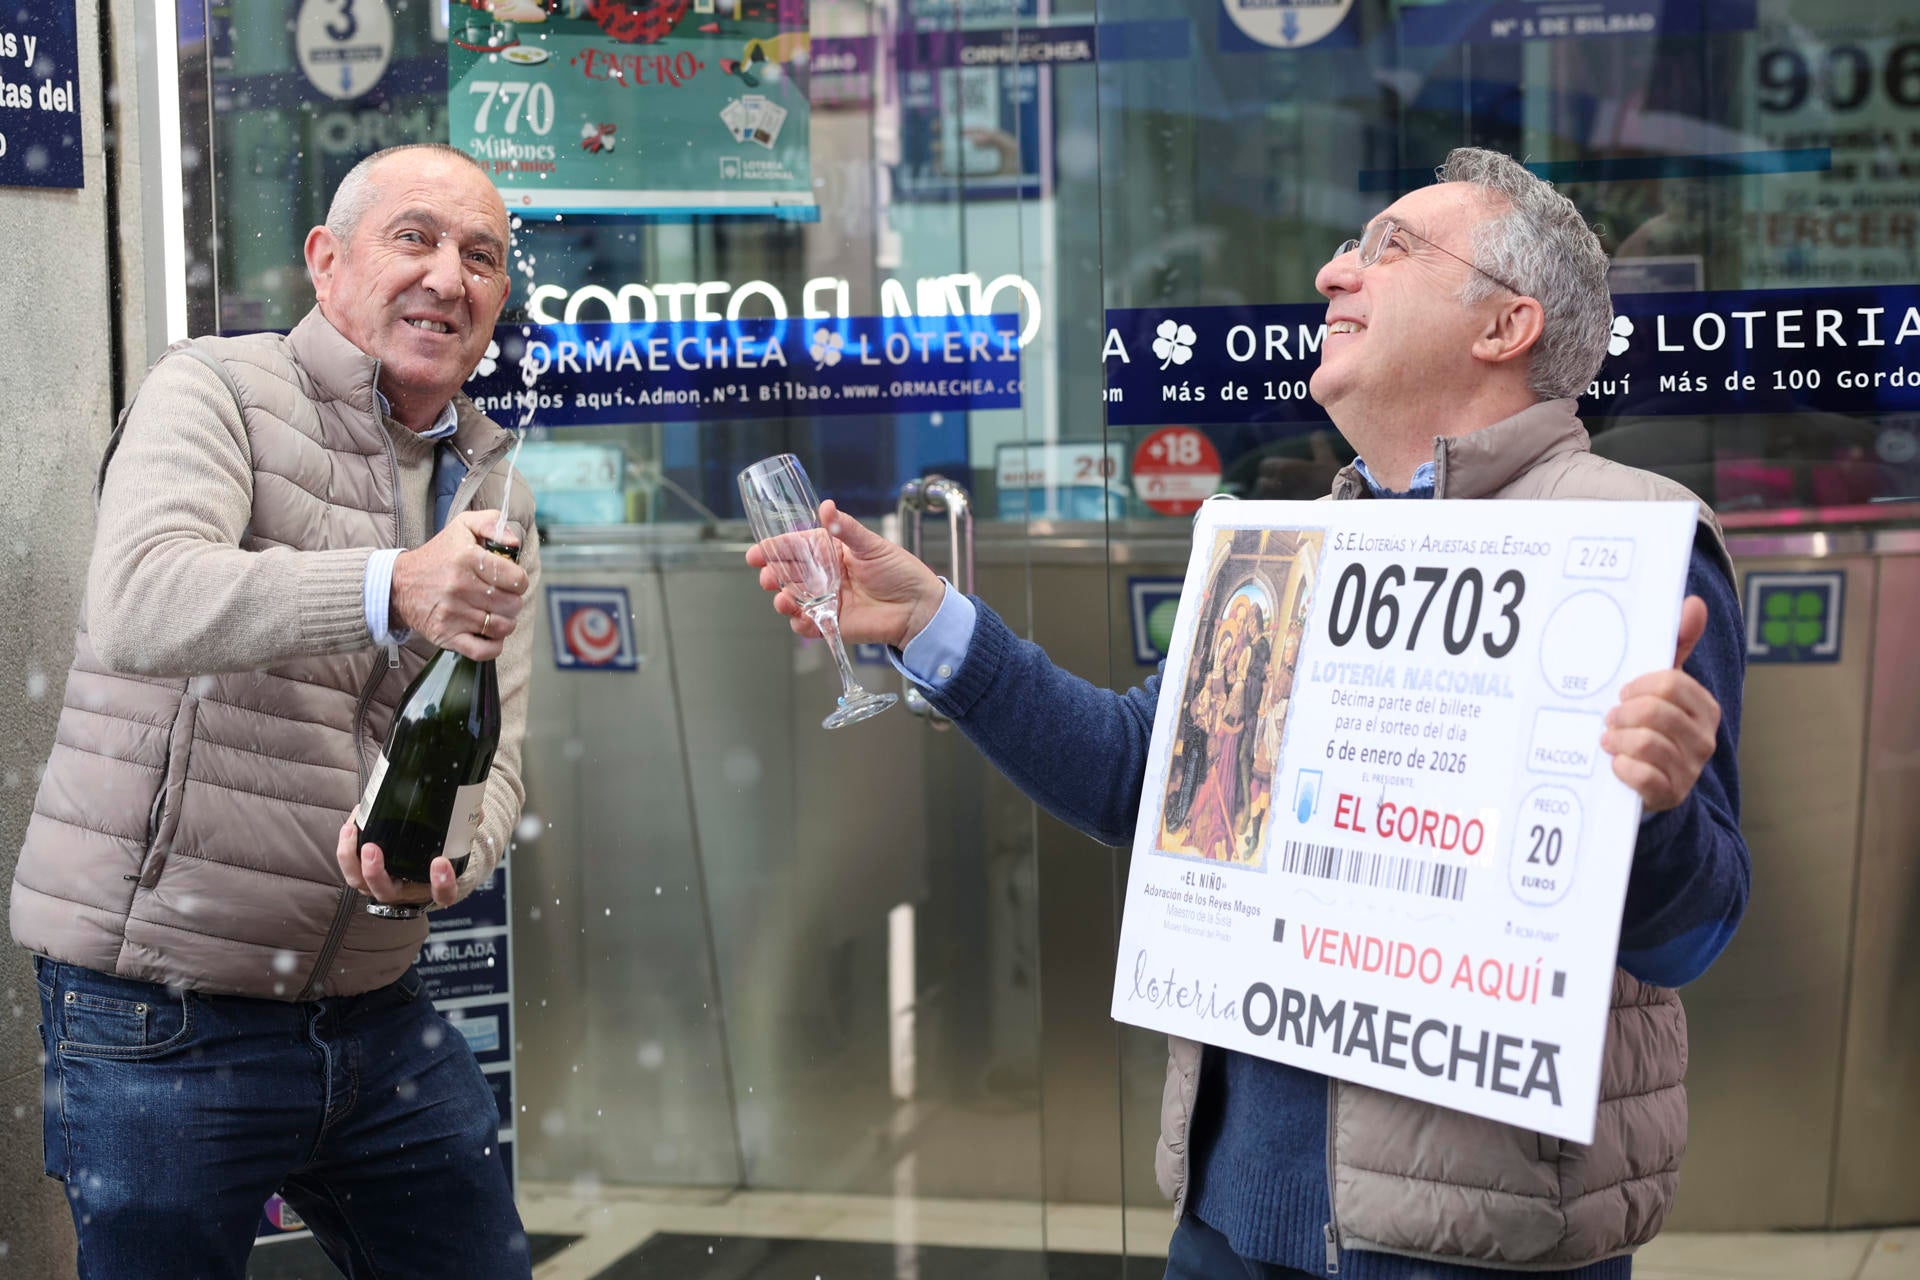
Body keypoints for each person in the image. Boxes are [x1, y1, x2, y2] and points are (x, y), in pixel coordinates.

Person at [749, 147, 1748, 1278]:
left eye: (1393, 247)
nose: (1334, 273)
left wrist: (1655, 806)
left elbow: (1690, 932)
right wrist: (936, 620)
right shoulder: (1296, 547)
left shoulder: (1633, 544)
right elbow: (1146, 775)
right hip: (1226, 1221)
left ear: (1507, 326)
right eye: (1348, 246)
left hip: (1467, 1245)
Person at [11, 142, 541, 1278]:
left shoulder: (494, 483)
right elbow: (143, 597)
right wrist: (388, 584)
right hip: (161, 1009)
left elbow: (500, 752)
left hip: (375, 1002)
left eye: (482, 256)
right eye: (416, 237)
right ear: (327, 261)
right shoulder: (214, 388)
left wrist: (442, 856)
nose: (450, 276)